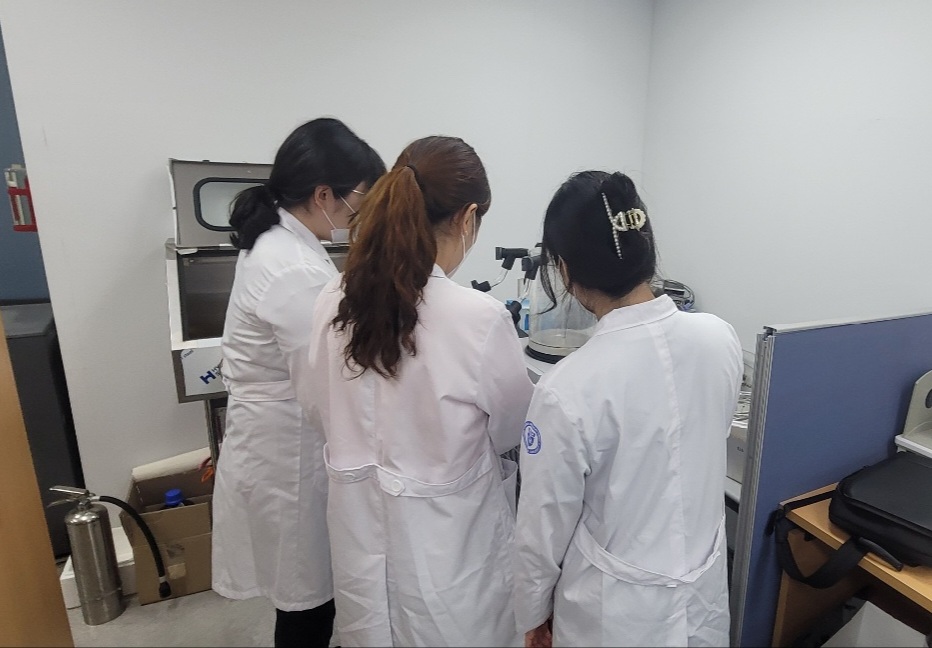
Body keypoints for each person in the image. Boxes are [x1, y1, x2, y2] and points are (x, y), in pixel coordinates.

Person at [300, 136, 534, 647]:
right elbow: (512, 429)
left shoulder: (331, 299)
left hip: (360, 543)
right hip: (449, 555)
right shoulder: (478, 318)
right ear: (467, 218)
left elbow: (317, 407)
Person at [513, 171, 742, 647]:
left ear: (565, 269)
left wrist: (532, 613)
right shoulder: (719, 338)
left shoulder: (566, 388)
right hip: (699, 595)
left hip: (614, 614)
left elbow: (542, 529)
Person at [211, 117, 385, 648]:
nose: (360, 214)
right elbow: (326, 379)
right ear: (324, 194)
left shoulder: (283, 243)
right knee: (308, 599)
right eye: (360, 200)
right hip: (289, 454)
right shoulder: (291, 268)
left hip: (280, 442)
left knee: (306, 590)